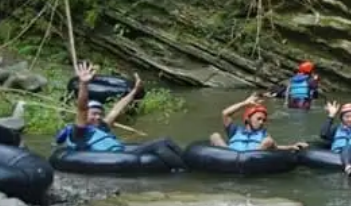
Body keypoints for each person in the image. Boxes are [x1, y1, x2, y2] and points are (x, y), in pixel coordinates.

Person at [56, 62, 185, 170]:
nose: (98, 117)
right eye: (94, 114)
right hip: (113, 157)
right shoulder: (80, 133)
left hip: (122, 153)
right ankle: (184, 171)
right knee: (159, 145)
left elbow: (116, 109)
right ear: (85, 117)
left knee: (166, 140)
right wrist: (84, 84)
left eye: (100, 114)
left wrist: (134, 92)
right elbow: (82, 108)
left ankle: (189, 162)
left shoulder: (101, 126)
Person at [211, 93, 307, 152]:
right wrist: (245, 103)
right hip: (228, 156)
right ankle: (228, 157)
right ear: (247, 119)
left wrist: (292, 146)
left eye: (264, 120)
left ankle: (250, 158)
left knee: (269, 141)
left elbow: (276, 147)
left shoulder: (263, 134)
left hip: (253, 159)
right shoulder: (235, 130)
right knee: (215, 136)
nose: (262, 122)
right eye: (259, 119)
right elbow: (225, 113)